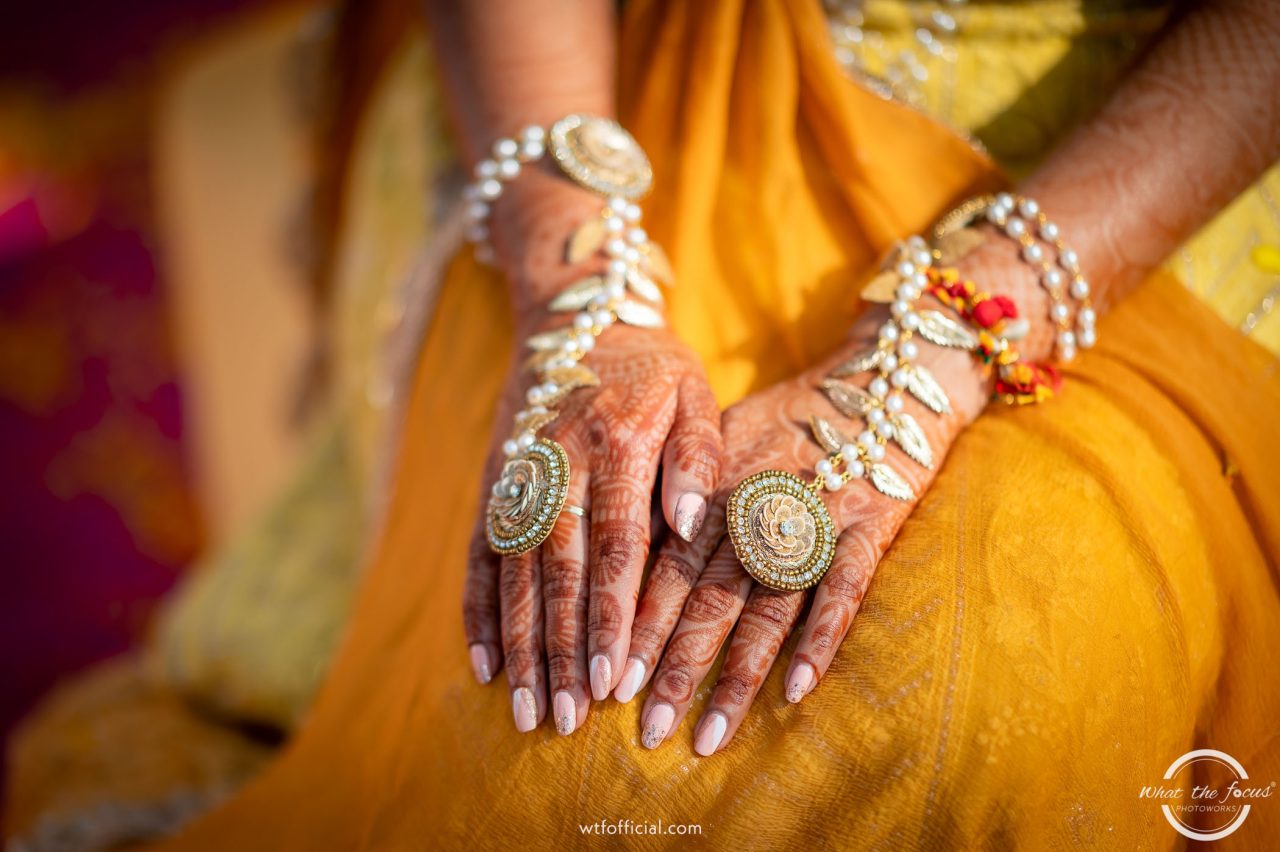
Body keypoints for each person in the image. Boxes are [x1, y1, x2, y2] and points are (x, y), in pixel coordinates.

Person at [9, 0, 1280, 848]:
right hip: (589, 119)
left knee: (953, 720)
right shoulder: (577, 222)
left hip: (1125, 193)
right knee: (578, 743)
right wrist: (580, 291)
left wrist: (947, 336)